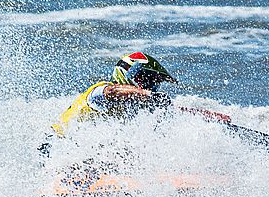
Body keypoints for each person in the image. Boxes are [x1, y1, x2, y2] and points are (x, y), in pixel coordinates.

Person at [50, 51, 178, 138]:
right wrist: (147, 94)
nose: (152, 86)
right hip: (55, 144)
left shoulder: (129, 105)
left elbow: (175, 112)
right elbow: (112, 91)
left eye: (156, 83)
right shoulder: (100, 91)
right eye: (150, 80)